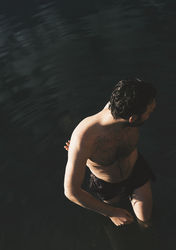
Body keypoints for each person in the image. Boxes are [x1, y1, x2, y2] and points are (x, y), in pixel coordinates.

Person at [63, 78, 157, 231]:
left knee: (146, 222)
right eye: (149, 112)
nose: (151, 114)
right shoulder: (84, 138)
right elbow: (71, 191)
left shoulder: (125, 105)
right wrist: (111, 213)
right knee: (122, 227)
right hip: (107, 185)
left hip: (136, 171)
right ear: (133, 119)